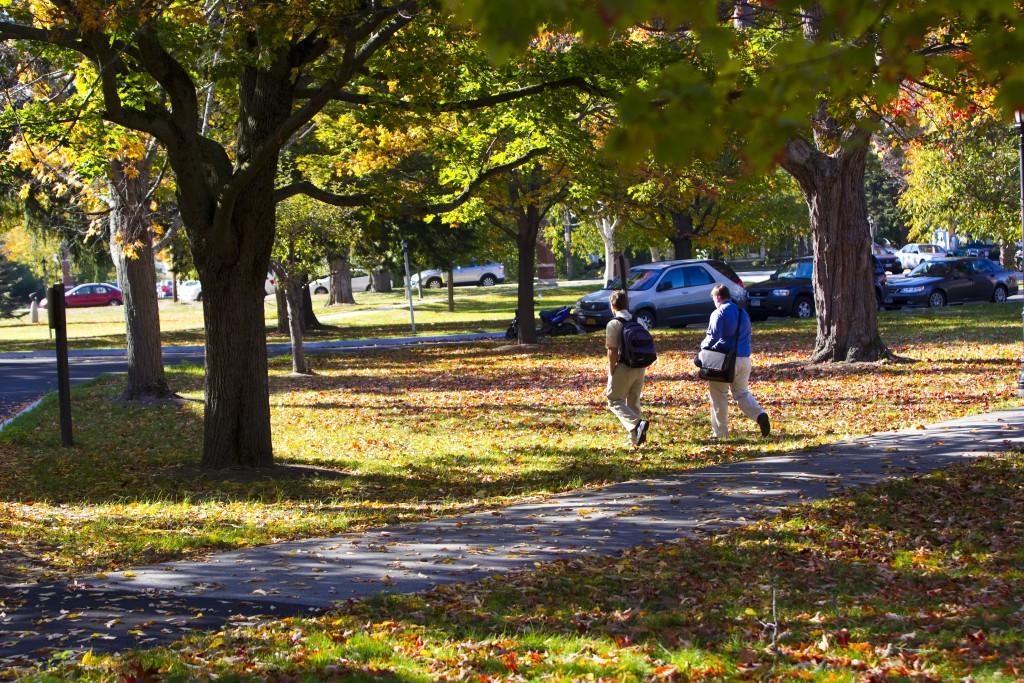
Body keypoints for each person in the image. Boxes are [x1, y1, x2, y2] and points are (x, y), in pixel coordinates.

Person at [700, 284, 770, 439]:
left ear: (717, 297)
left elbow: (712, 338)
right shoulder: (742, 313)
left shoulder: (718, 313)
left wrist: (701, 350)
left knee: (719, 395)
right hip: (744, 359)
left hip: (723, 360)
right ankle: (760, 414)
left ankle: (720, 433)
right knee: (742, 393)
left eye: (714, 299)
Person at [604, 290, 649, 447]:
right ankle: (635, 440)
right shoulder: (639, 321)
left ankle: (638, 424)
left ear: (612, 305)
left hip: (624, 365)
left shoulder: (614, 324)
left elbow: (612, 350)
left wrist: (612, 369)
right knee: (633, 400)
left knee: (614, 400)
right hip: (640, 365)